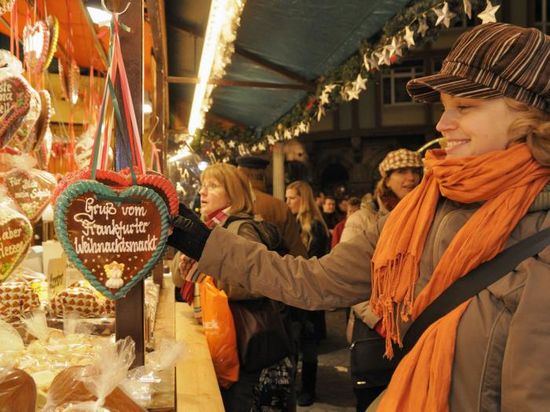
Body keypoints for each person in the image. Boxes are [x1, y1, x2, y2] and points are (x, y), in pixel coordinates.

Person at [169, 23, 550, 411]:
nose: (441, 124)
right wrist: (201, 240)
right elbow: (315, 282)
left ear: (530, 116)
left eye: (465, 107)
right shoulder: (419, 211)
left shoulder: (540, 240)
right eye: (444, 106)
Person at [172, 163, 295, 412]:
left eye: (213, 186)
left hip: (244, 344)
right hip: (221, 336)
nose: (203, 192)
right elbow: (178, 277)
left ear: (233, 194)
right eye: (203, 185)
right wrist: (190, 248)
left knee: (239, 402)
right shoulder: (208, 227)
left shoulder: (241, 228)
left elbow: (258, 283)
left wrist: (208, 275)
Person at [341, 149, 422, 411]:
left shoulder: (427, 213)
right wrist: (379, 321)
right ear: (386, 178)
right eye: (401, 172)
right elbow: (349, 278)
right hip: (378, 331)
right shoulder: (363, 219)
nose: (410, 178)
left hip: (417, 327)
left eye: (415, 171)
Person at [284, 180, 330, 406]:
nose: (287, 202)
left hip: (310, 293)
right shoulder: (292, 222)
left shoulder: (315, 226)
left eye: (292, 197)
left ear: (303, 199)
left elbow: (315, 262)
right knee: (294, 341)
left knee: (308, 344)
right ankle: (294, 387)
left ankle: (308, 389)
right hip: (295, 294)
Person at [236, 155, 307, 258]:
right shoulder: (279, 207)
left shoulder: (232, 203)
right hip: (273, 269)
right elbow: (296, 250)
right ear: (264, 176)